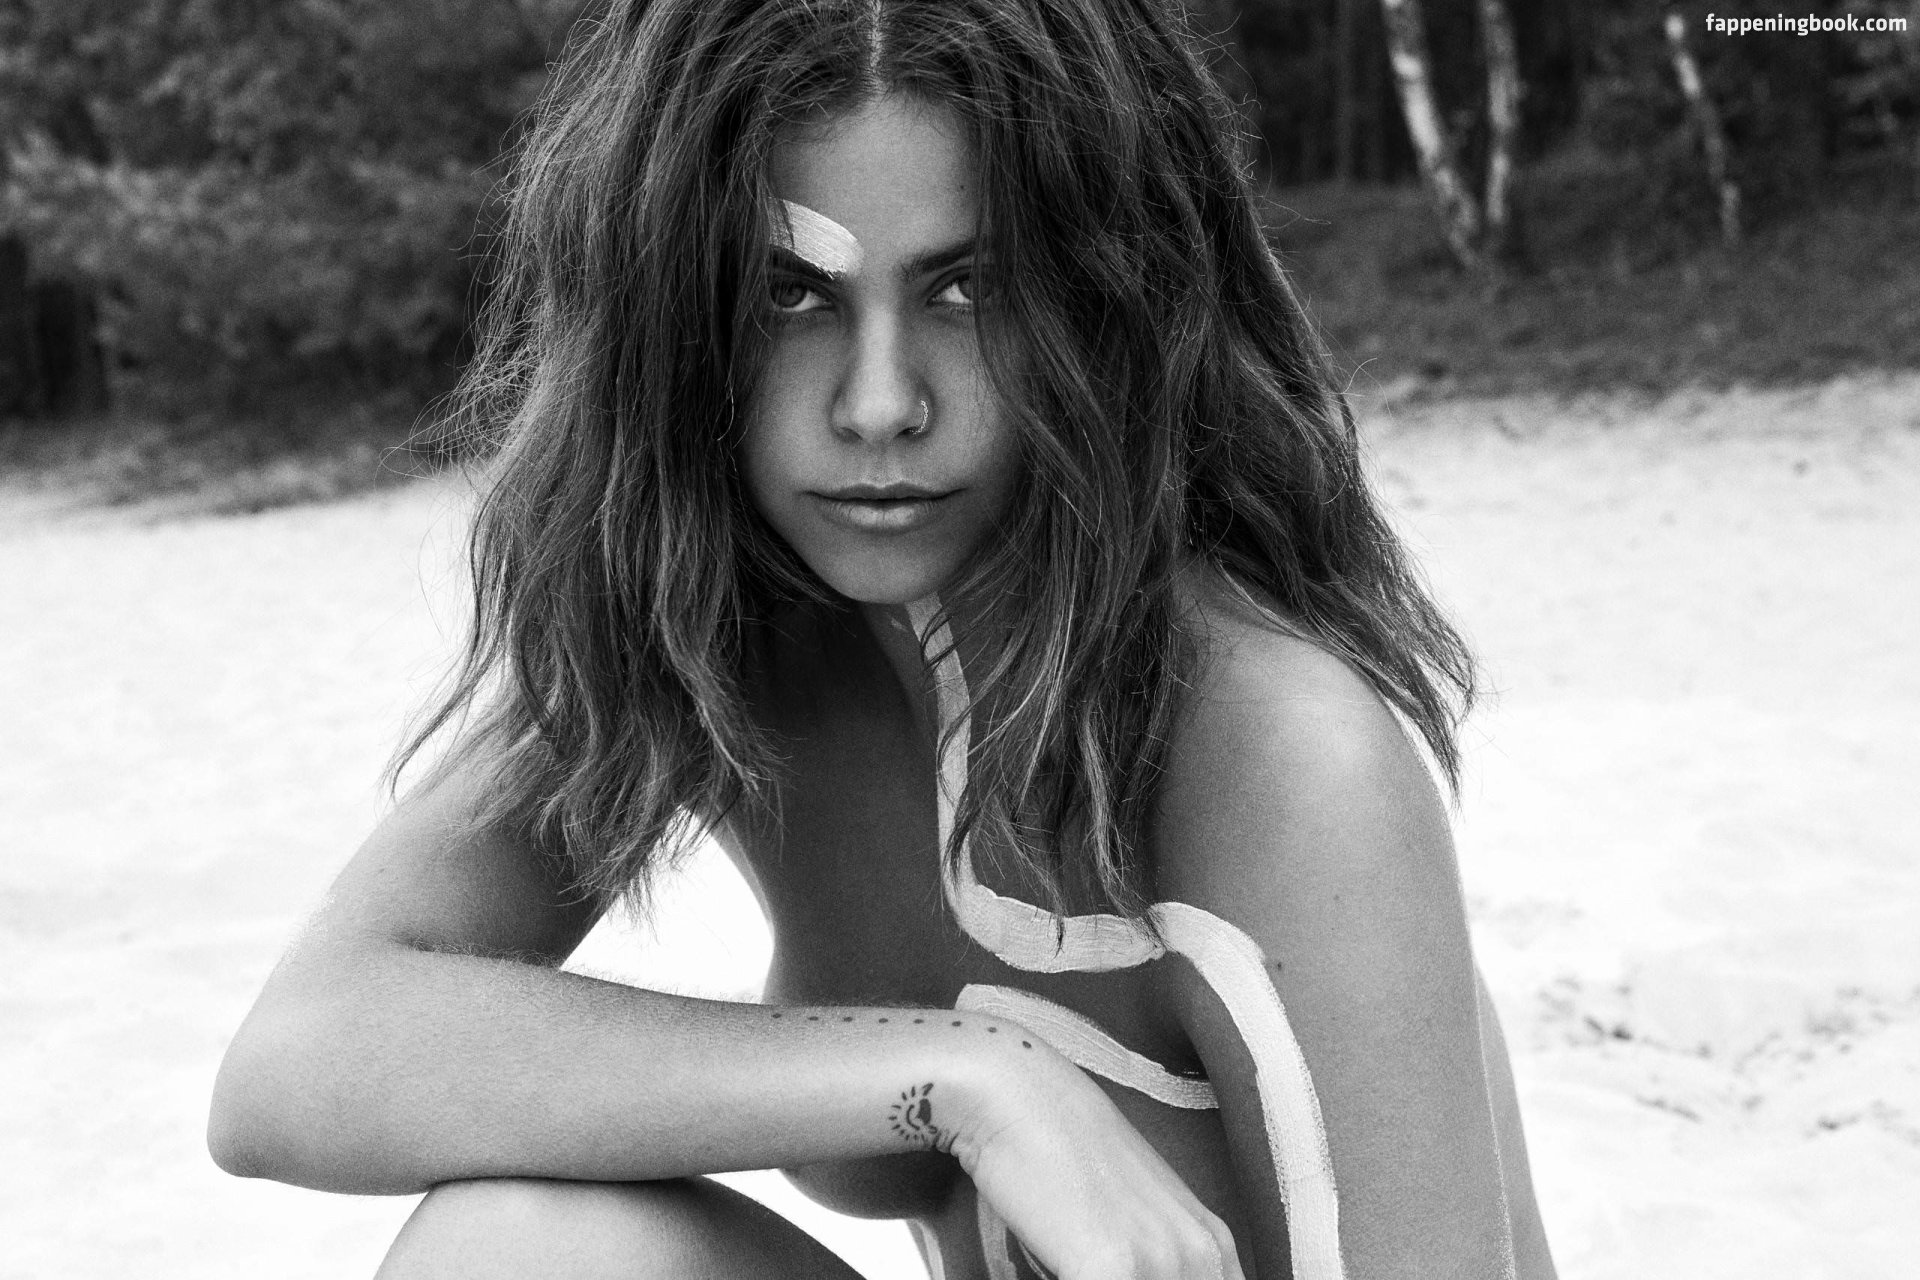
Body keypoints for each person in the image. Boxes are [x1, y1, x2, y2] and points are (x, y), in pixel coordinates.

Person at [208, 1, 1558, 1276]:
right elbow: (299, 1059)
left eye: (968, 288)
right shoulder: (728, 640)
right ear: (670, 319)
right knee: (520, 1252)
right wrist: (971, 1082)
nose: (878, 404)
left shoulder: (1275, 750)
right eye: (788, 295)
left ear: (1111, 296)